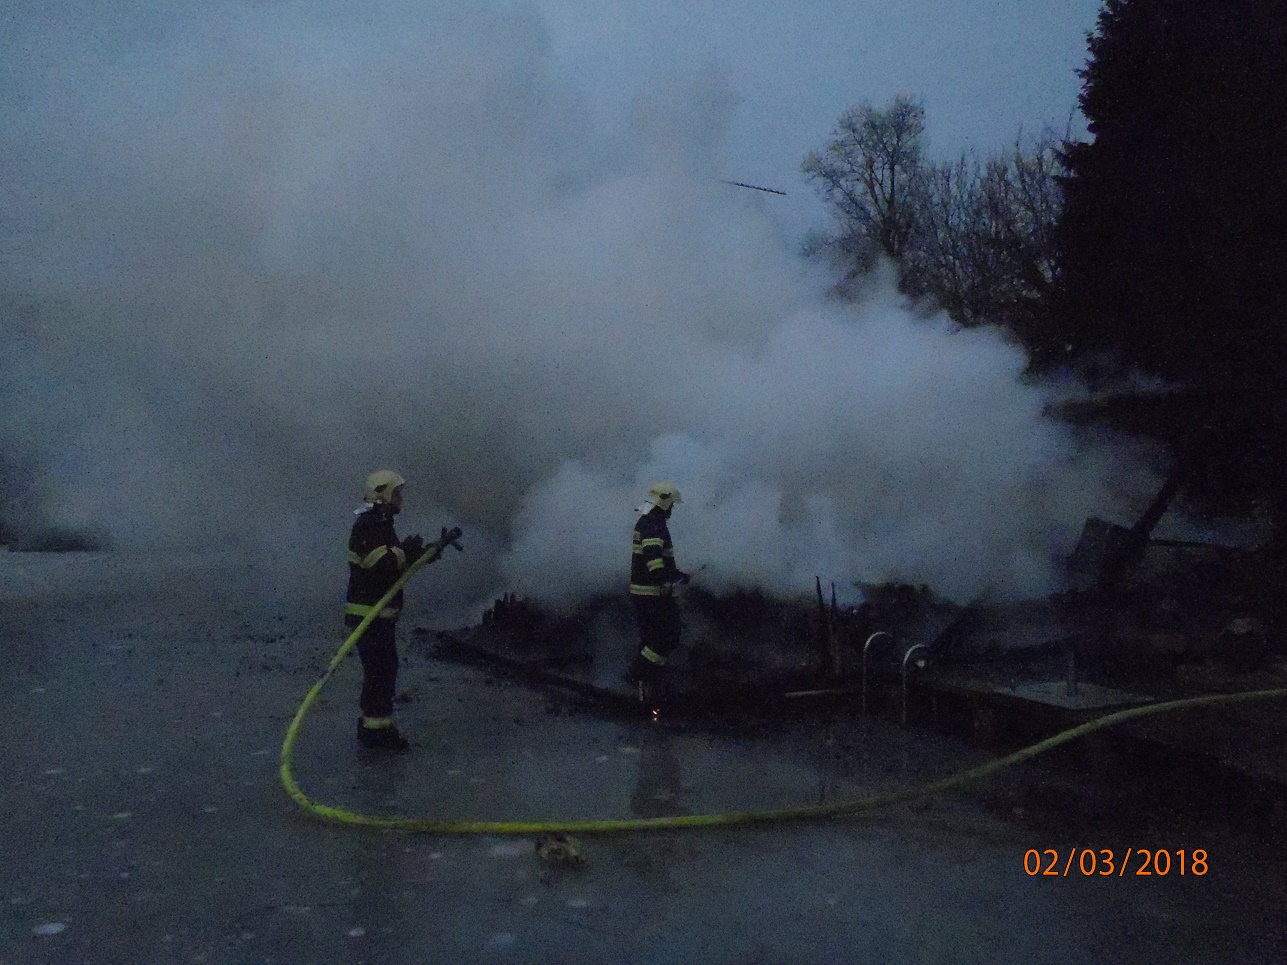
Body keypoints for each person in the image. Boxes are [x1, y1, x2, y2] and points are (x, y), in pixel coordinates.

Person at [345, 469, 427, 750]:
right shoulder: (368, 525)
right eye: (397, 492)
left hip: (378, 615)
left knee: (384, 670)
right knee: (379, 672)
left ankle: (378, 723)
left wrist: (425, 554)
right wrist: (406, 552)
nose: (401, 498)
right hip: (368, 614)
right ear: (382, 494)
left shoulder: (381, 523)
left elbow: (396, 566)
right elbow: (380, 565)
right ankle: (374, 732)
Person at [628, 482, 691, 694]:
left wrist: (677, 575)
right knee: (668, 635)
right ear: (664, 503)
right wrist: (669, 578)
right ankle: (637, 674)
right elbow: (654, 562)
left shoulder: (646, 521)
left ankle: (647, 686)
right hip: (651, 594)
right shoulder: (654, 525)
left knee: (651, 639)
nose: (672, 509)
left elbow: (659, 562)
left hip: (645, 592)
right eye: (672, 504)